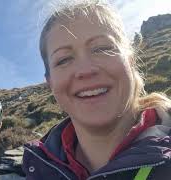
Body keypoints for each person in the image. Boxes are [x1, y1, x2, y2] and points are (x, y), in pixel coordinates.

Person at [22, 1, 171, 179]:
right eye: (63, 60)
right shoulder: (37, 166)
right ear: (50, 82)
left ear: (131, 61)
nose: (85, 70)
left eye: (102, 48)